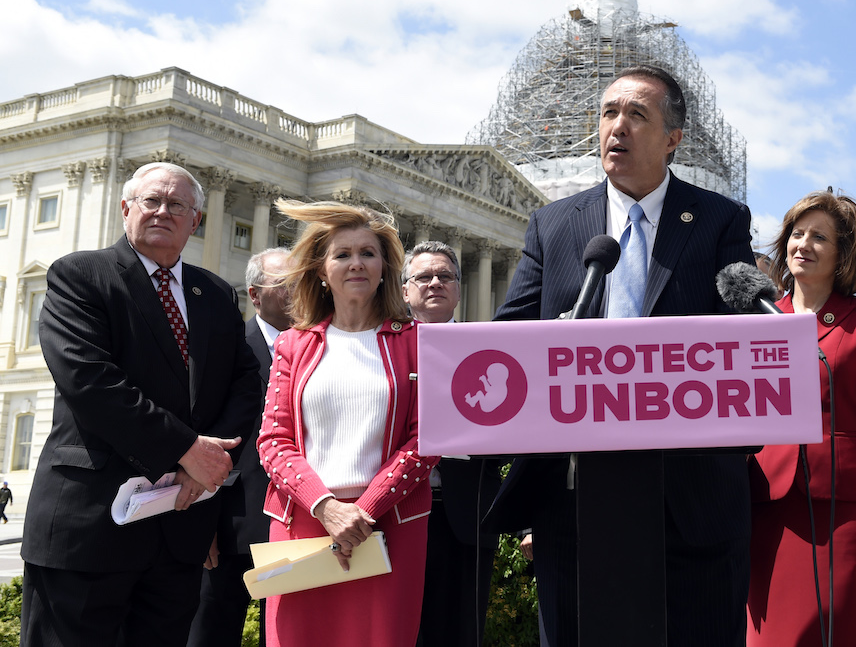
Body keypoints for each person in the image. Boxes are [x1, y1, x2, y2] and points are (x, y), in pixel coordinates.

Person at [485, 64, 755, 646]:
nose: (618, 127)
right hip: (574, 497)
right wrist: (554, 341)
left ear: (672, 139)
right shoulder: (554, 225)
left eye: (637, 114)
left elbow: (744, 334)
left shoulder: (717, 220)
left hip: (691, 499)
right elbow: (508, 340)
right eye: (609, 113)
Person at [21, 162, 262, 647]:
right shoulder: (80, 275)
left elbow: (245, 384)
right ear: (126, 208)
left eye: (177, 205)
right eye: (151, 201)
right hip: (90, 525)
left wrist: (209, 465)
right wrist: (187, 449)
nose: (162, 212)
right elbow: (90, 381)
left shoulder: (213, 293)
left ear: (196, 222)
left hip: (179, 526)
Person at [258, 200, 438, 647]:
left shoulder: (419, 343)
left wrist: (362, 512)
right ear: (321, 270)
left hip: (388, 528)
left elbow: (426, 439)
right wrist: (327, 507)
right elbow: (274, 442)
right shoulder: (291, 344)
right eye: (342, 254)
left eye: (368, 253)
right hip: (303, 524)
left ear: (385, 267)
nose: (356, 263)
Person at [747, 190, 856, 647]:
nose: (803, 245)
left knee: (850, 631)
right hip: (768, 510)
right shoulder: (754, 321)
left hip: (847, 516)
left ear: (843, 254)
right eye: (796, 234)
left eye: (819, 237)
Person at [188, 247, 293, 647]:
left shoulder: (322, 350)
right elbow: (198, 435)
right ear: (255, 294)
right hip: (227, 527)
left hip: (298, 526)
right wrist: (200, 525)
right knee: (211, 635)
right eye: (284, 283)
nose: (298, 291)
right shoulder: (223, 349)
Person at [403, 241, 503, 647]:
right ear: (405, 289)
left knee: (462, 633)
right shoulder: (378, 347)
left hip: (465, 514)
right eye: (423, 277)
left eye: (445, 276)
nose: (435, 284)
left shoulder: (487, 350)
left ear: (459, 289)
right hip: (393, 513)